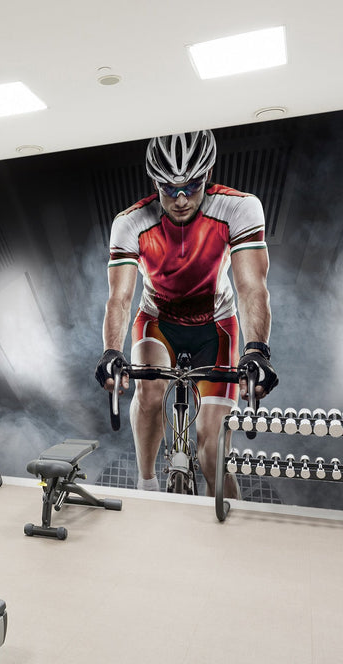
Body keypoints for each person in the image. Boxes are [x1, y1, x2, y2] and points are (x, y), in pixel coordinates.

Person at [95, 129, 278, 496]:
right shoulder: (130, 222)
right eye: (169, 188)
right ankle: (147, 483)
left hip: (216, 328)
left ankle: (224, 522)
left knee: (212, 453)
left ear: (207, 175)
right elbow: (120, 298)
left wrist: (257, 349)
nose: (180, 199)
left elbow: (251, 287)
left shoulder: (239, 208)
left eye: (192, 187)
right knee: (149, 395)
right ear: (154, 182)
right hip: (158, 322)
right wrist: (111, 351)